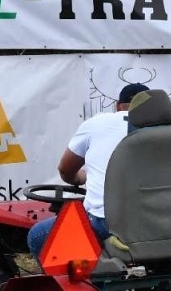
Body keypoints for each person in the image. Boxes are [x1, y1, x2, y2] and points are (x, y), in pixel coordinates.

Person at [26, 83, 150, 256]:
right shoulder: (170, 134)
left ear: (117, 105)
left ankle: (85, 279)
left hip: (107, 223)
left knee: (36, 236)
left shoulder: (96, 124)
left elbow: (65, 169)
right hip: (156, 221)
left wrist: (80, 178)